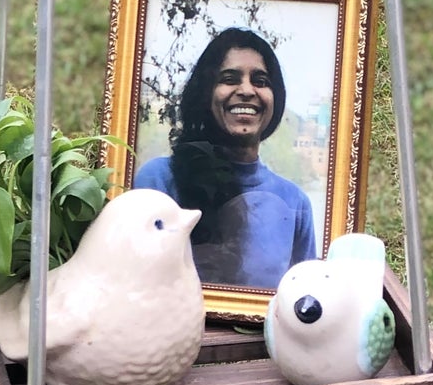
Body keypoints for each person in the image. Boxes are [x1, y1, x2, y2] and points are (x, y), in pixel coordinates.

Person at [134, 26, 318, 289]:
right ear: (207, 93)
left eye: (261, 81)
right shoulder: (159, 181)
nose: (247, 90)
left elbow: (303, 300)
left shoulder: (295, 203)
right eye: (230, 79)